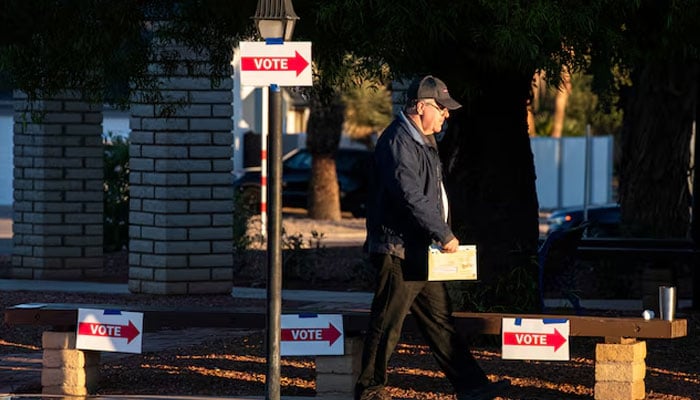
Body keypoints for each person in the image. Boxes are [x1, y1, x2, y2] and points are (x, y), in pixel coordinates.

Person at [355, 75, 510, 400]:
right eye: (441, 108)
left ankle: (473, 388)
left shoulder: (422, 140)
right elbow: (410, 194)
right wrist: (443, 232)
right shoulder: (398, 142)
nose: (446, 114)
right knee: (386, 325)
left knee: (440, 324)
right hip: (398, 251)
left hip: (420, 252)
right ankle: (369, 391)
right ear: (421, 106)